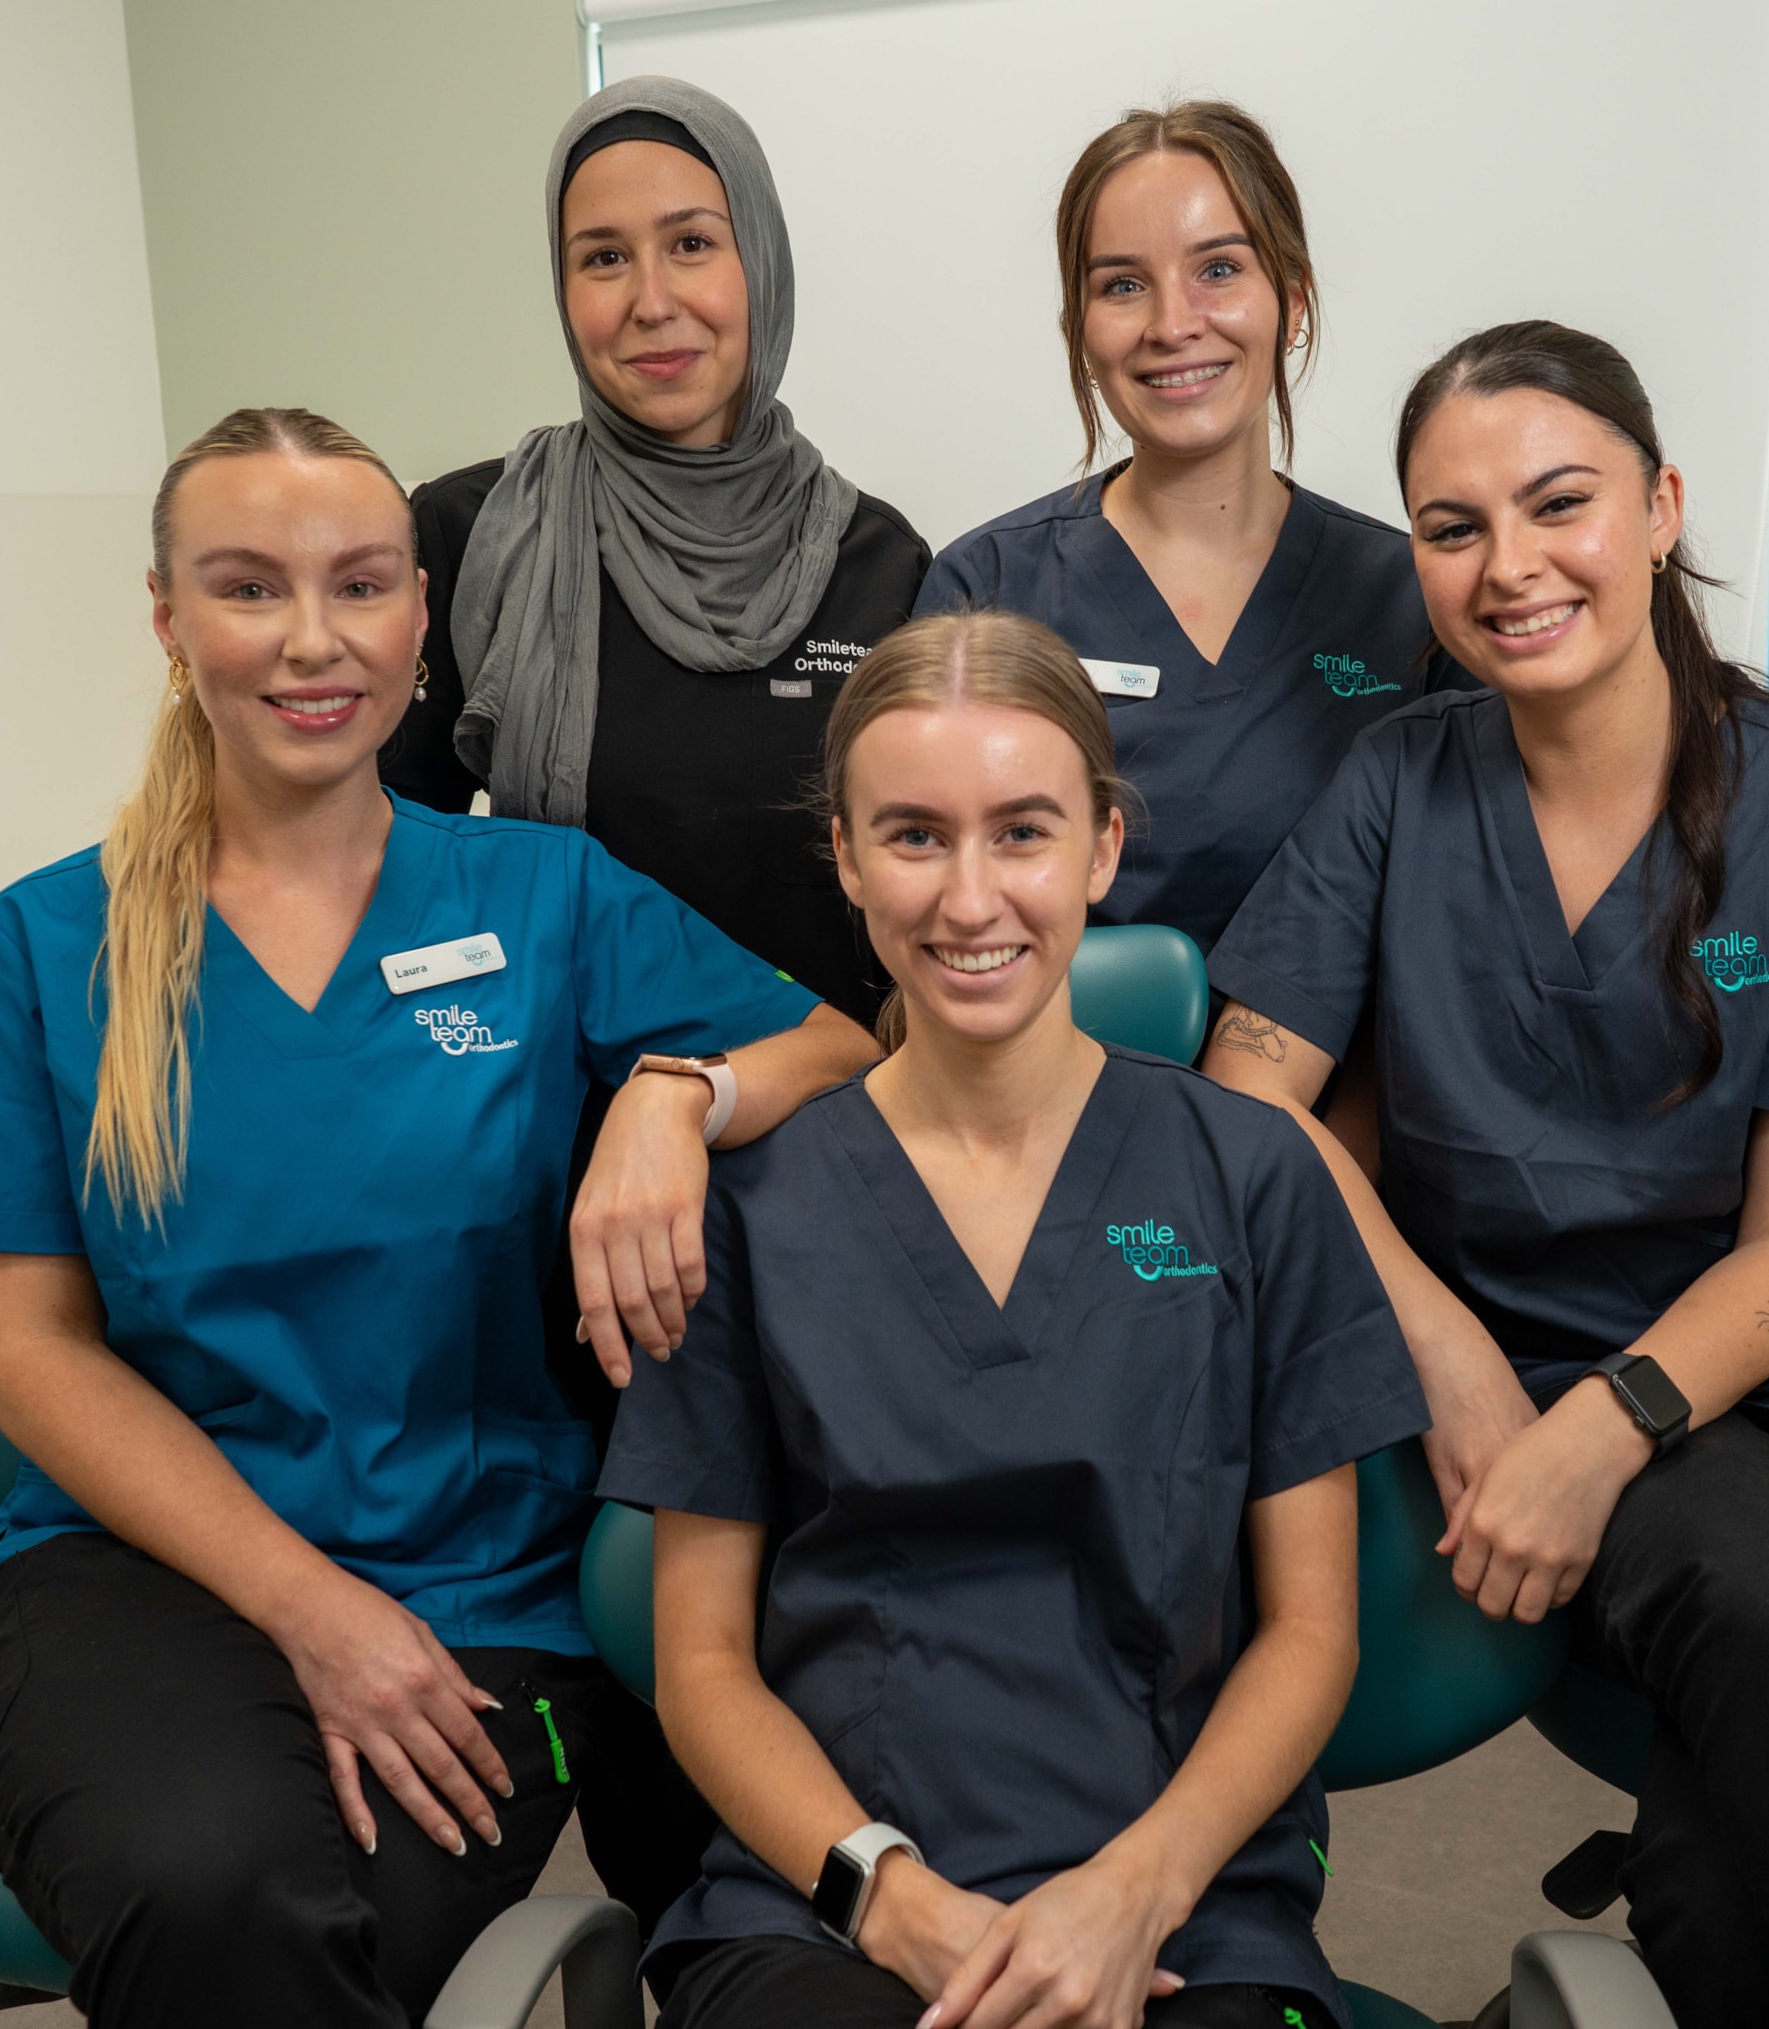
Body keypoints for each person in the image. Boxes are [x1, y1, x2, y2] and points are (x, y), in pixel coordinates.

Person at [0, 407, 881, 2028]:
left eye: (358, 586)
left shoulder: (543, 899)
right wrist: (309, 1607)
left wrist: (670, 1097)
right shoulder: (33, 949)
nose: (310, 639)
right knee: (210, 1891)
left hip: (478, 1580)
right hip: (144, 1567)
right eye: (244, 587)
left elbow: (836, 1049)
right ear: (166, 620)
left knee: (317, 1936)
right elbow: (30, 1355)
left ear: (422, 617)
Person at [1199, 323, 1769, 2028]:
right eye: (1450, 528)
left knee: (1729, 1853)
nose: (1508, 566)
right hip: (1529, 1359)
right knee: (1755, 1651)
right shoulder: (1392, 790)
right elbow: (1251, 1100)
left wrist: (1586, 1442)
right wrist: (1451, 1366)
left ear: (1659, 508)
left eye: (1557, 503)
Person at [598, 612, 1429, 2029]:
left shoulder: (1252, 1173)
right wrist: (892, 1901)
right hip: (827, 1901)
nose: (970, 900)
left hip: (1181, 1905)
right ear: (847, 859)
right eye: (914, 836)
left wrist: (1137, 1887)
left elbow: (1309, 1634)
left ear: (1102, 849)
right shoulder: (746, 1206)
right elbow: (700, 1664)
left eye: (1023, 833)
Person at [381, 75, 928, 1027]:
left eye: (691, 245)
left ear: (760, 260)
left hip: (837, 1119)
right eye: (602, 258)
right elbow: (382, 863)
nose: (651, 300)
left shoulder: (878, 562)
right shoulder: (473, 535)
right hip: (572, 1120)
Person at [915, 102, 1451, 959]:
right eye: (1123, 285)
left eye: (1219, 270)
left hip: (1341, 1093)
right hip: (1061, 1087)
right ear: (1079, 333)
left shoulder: (1412, 599)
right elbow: (932, 910)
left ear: (1293, 301)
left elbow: (1462, 915)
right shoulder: (987, 591)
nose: (1172, 325)